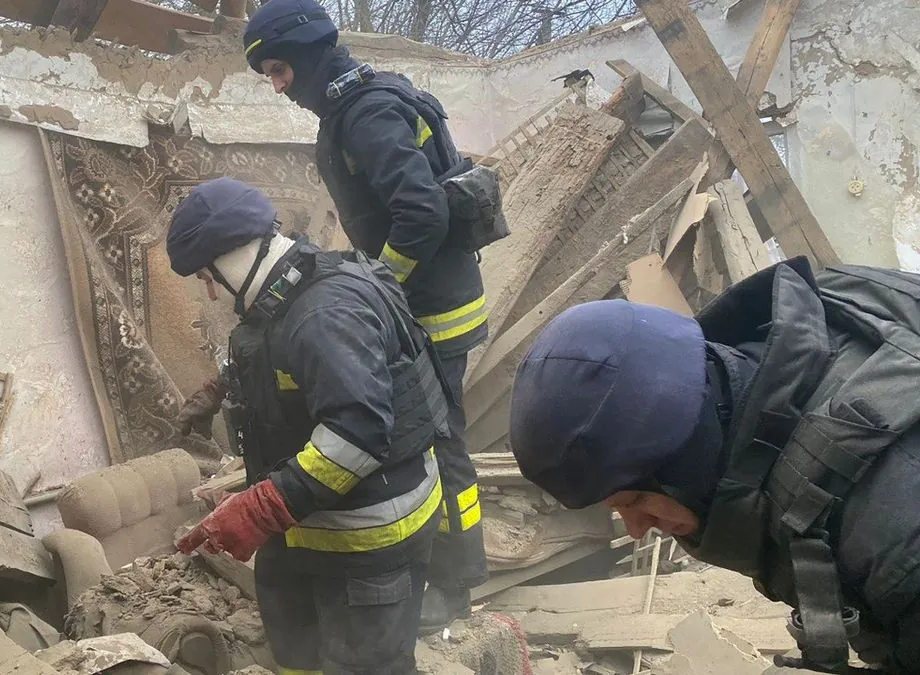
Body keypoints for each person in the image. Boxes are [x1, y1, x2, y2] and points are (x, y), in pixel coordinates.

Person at [507, 256, 920, 674]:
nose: (635, 530)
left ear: (686, 459)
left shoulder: (893, 541)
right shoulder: (805, 331)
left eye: (634, 500)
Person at [230, 0, 491, 632]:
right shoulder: (359, 99)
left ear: (310, 50)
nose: (278, 85)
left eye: (279, 69)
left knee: (439, 443)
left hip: (433, 310)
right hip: (431, 298)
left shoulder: (367, 114)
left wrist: (382, 286)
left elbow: (422, 215)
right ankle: (440, 575)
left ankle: (453, 588)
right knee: (434, 438)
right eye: (268, 73)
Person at [169, 177, 450, 674]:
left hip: (369, 537)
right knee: (295, 647)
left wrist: (259, 508)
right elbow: (281, 351)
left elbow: (357, 434)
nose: (210, 293)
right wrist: (217, 390)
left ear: (232, 259)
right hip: (306, 522)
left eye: (207, 277)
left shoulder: (326, 314)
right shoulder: (293, 281)